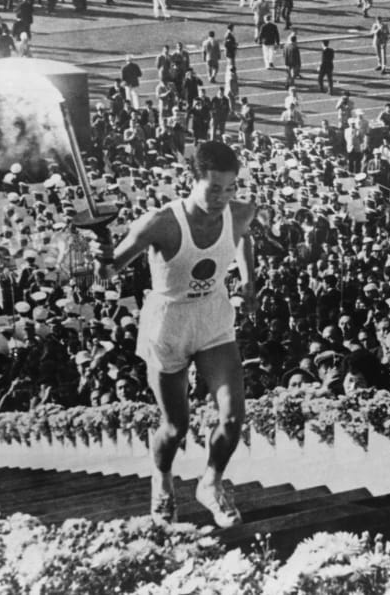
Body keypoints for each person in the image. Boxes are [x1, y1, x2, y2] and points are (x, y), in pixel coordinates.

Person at [93, 141, 256, 527]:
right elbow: (105, 274)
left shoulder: (242, 211)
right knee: (175, 426)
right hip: (168, 323)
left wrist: (249, 281)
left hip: (214, 318)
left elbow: (245, 236)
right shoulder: (160, 223)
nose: (222, 197)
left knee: (233, 418)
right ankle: (162, 482)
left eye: (230, 188)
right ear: (192, 180)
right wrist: (97, 254)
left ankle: (211, 483)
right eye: (214, 188)